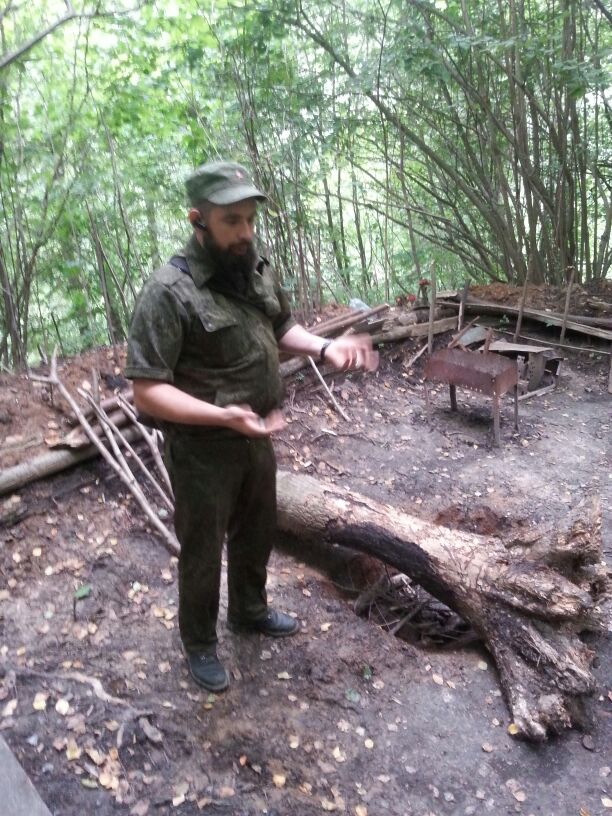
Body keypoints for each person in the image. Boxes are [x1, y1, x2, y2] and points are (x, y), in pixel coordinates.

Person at [125, 160, 378, 692]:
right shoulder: (168, 292)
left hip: (258, 434)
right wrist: (221, 415)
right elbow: (146, 389)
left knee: (256, 531)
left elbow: (281, 326)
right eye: (231, 221)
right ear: (198, 220)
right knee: (202, 548)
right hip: (202, 449)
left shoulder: (254, 266)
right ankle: (199, 642)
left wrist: (326, 347)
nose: (245, 232)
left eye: (249, 219)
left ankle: (249, 611)